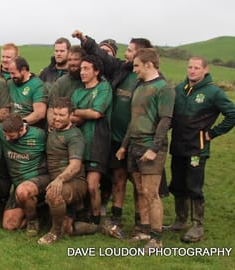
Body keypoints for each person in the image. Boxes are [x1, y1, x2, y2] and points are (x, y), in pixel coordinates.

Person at [73, 30, 159, 236]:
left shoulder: (153, 82)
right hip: (114, 136)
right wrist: (85, 40)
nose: (126, 54)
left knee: (140, 184)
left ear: (142, 55)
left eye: (129, 51)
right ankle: (116, 217)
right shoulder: (122, 69)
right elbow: (101, 57)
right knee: (118, 178)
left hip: (139, 139)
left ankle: (143, 223)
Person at [168, 56, 235, 243]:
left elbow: (234, 115)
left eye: (196, 68)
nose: (192, 71)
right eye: (190, 67)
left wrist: (213, 133)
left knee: (194, 186)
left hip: (196, 149)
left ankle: (197, 225)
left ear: (205, 70)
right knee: (177, 184)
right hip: (177, 146)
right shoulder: (179, 89)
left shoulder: (213, 92)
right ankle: (180, 220)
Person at [115, 48, 175, 249]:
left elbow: (165, 121)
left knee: (151, 192)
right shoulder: (139, 87)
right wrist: (124, 145)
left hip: (150, 146)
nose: (134, 70)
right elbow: (134, 120)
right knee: (140, 190)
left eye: (137, 66)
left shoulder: (164, 88)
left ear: (149, 64)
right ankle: (144, 230)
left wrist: (154, 149)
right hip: (134, 144)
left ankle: (156, 238)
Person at [0, 114, 49, 236]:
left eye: (11, 136)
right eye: (5, 135)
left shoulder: (39, 135)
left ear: (21, 129)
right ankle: (38, 209)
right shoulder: (1, 130)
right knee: (9, 225)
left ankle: (33, 220)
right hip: (19, 184)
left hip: (40, 178)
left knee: (23, 191)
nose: (7, 138)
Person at [37, 97, 88, 245]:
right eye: (55, 114)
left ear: (71, 116)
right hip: (51, 176)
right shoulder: (53, 129)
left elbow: (75, 165)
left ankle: (55, 232)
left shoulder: (75, 136)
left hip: (74, 181)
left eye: (62, 115)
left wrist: (60, 179)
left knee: (54, 193)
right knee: (27, 190)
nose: (57, 118)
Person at [70, 55, 112, 227]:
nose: (82, 72)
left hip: (97, 142)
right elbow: (70, 117)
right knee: (78, 183)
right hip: (78, 143)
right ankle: (82, 214)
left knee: (92, 185)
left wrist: (77, 112)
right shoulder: (78, 92)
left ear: (97, 71)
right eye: (81, 69)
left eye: (86, 69)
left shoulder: (104, 88)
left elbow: (96, 113)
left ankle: (96, 218)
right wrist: (80, 114)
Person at [46, 46, 85, 129]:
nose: (72, 63)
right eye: (70, 60)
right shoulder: (61, 82)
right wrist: (52, 124)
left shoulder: (90, 82)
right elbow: (51, 108)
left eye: (76, 59)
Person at [7, 56, 46, 127]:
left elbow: (39, 113)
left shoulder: (37, 85)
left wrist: (20, 124)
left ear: (23, 70)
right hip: (10, 125)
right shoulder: (10, 83)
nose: (11, 76)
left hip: (29, 126)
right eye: (10, 73)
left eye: (13, 73)